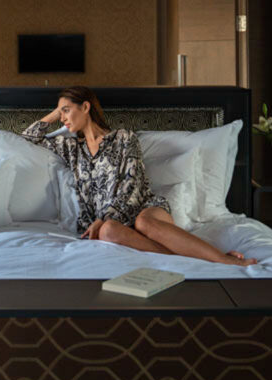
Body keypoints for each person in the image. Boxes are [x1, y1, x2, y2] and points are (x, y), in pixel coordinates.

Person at [22, 86, 256, 266]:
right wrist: (55, 113)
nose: (63, 117)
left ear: (85, 107)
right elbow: (27, 140)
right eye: (60, 112)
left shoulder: (124, 138)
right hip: (106, 225)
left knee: (142, 222)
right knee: (108, 231)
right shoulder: (71, 148)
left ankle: (224, 260)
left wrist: (105, 218)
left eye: (67, 110)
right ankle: (196, 260)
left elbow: (131, 188)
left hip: (143, 208)